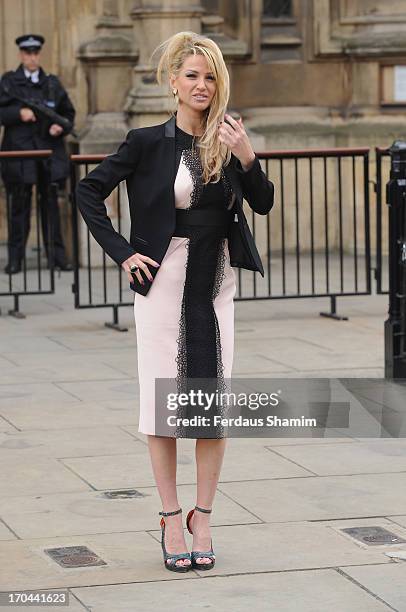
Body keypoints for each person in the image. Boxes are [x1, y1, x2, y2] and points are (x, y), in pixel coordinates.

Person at [75, 31, 274, 572]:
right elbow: (88, 191)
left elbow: (263, 202)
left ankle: (202, 515)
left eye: (210, 77)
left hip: (216, 284)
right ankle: (168, 516)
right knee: (163, 404)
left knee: (213, 405)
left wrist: (247, 155)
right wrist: (121, 252)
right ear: (173, 83)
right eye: (192, 75)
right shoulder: (147, 141)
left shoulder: (228, 138)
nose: (202, 85)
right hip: (164, 282)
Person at [0, 34, 75, 274]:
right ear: (21, 55)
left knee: (51, 205)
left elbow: (68, 115)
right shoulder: (9, 83)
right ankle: (15, 260)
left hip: (48, 153)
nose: (31, 57)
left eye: (35, 53)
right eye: (27, 53)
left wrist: (59, 127)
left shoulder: (52, 83)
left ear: (39, 54)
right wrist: (17, 114)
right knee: (18, 208)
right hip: (20, 154)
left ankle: (57, 258)